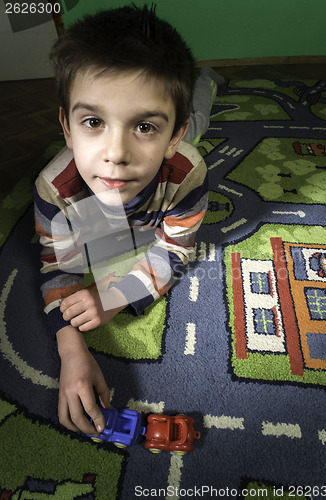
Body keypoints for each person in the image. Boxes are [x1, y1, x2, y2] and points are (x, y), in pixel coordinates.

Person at [34, 4, 224, 436]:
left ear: (169, 136)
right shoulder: (54, 190)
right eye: (94, 122)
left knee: (199, 116)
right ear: (66, 126)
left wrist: (114, 296)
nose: (116, 154)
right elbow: (56, 266)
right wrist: (70, 349)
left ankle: (207, 83)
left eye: (144, 127)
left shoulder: (186, 170)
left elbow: (176, 248)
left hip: (183, 137)